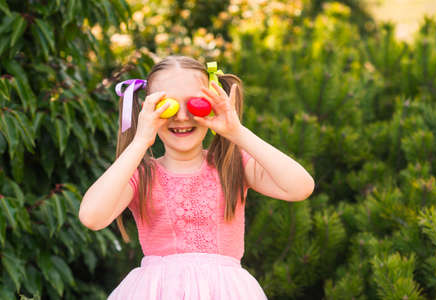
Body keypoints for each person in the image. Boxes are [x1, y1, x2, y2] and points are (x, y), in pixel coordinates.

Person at [78, 55, 315, 299]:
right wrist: (140, 141)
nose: (181, 116)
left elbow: (300, 187)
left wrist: (237, 132)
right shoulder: (143, 176)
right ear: (148, 110)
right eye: (167, 105)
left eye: (194, 103)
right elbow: (91, 216)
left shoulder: (231, 166)